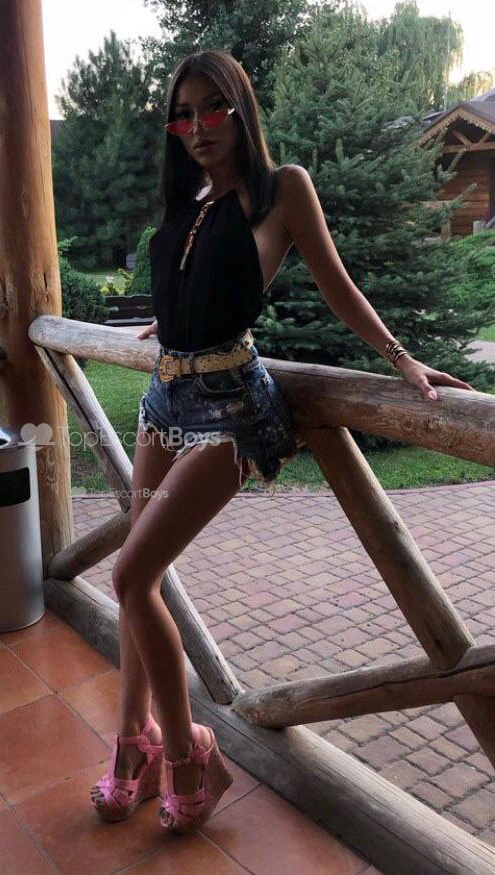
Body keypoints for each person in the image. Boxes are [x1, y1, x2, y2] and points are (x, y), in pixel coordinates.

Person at [90, 49, 474, 834]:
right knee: (139, 577)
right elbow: (196, 279)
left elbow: (335, 282)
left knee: (130, 575)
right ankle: (134, 740)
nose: (198, 126)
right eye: (183, 115)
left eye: (212, 107)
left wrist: (402, 360)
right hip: (165, 397)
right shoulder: (192, 197)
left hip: (234, 411)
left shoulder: (282, 189)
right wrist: (174, 318)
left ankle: (191, 751)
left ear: (241, 108)